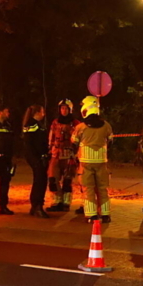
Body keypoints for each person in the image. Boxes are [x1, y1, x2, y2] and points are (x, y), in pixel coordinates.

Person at [73, 95, 114, 223]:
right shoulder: (106, 125)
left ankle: (91, 215)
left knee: (88, 188)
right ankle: (106, 214)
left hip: (85, 163)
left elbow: (73, 142)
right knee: (102, 188)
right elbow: (111, 141)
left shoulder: (81, 127)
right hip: (102, 162)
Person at [46, 99, 77, 212]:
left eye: (66, 108)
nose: (63, 110)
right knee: (53, 178)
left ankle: (66, 203)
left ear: (70, 110)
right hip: (56, 154)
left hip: (69, 155)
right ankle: (56, 202)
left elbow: (77, 140)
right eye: (62, 108)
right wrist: (49, 149)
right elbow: (51, 136)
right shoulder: (55, 122)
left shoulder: (75, 123)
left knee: (67, 180)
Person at [22, 104, 50, 218]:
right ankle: (37, 205)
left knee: (42, 181)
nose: (43, 114)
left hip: (41, 157)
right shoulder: (31, 125)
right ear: (36, 113)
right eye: (42, 112)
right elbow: (29, 143)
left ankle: (37, 206)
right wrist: (35, 158)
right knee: (39, 181)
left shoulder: (39, 124)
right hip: (35, 157)